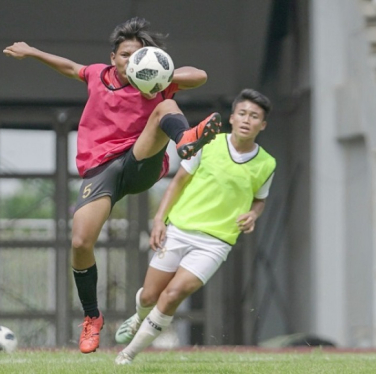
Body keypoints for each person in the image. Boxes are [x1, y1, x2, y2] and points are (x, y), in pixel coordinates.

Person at [3, 17, 221, 354]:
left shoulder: (156, 82)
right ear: (112, 57)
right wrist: (31, 51)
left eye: (137, 55)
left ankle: (185, 139)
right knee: (80, 241)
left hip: (140, 162)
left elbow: (201, 76)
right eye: (124, 54)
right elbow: (69, 67)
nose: (130, 60)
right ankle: (92, 317)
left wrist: (159, 71)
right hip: (101, 169)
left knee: (165, 106)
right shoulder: (97, 76)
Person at [113, 89, 276, 365]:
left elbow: (259, 199)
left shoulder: (267, 164)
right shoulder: (209, 144)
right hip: (179, 229)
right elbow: (177, 182)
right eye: (243, 114)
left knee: (173, 294)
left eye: (255, 116)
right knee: (151, 295)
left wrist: (253, 214)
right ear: (233, 118)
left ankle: (127, 355)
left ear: (263, 125)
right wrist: (159, 220)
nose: (247, 120)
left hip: (216, 242)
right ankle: (139, 315)